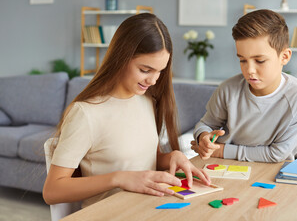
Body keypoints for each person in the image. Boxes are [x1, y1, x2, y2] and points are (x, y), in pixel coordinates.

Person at [43, 13, 210, 208]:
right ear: (121, 57)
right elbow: (52, 191)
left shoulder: (147, 100)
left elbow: (146, 159)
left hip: (149, 209)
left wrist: (172, 157)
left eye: (160, 71)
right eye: (145, 70)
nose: (153, 80)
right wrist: (119, 179)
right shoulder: (86, 113)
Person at [190, 9, 297, 163]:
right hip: (225, 167)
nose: (249, 70)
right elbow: (206, 124)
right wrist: (203, 138)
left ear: (284, 56)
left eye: (259, 60)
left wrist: (221, 151)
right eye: (242, 60)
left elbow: (277, 154)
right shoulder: (228, 89)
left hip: (272, 171)